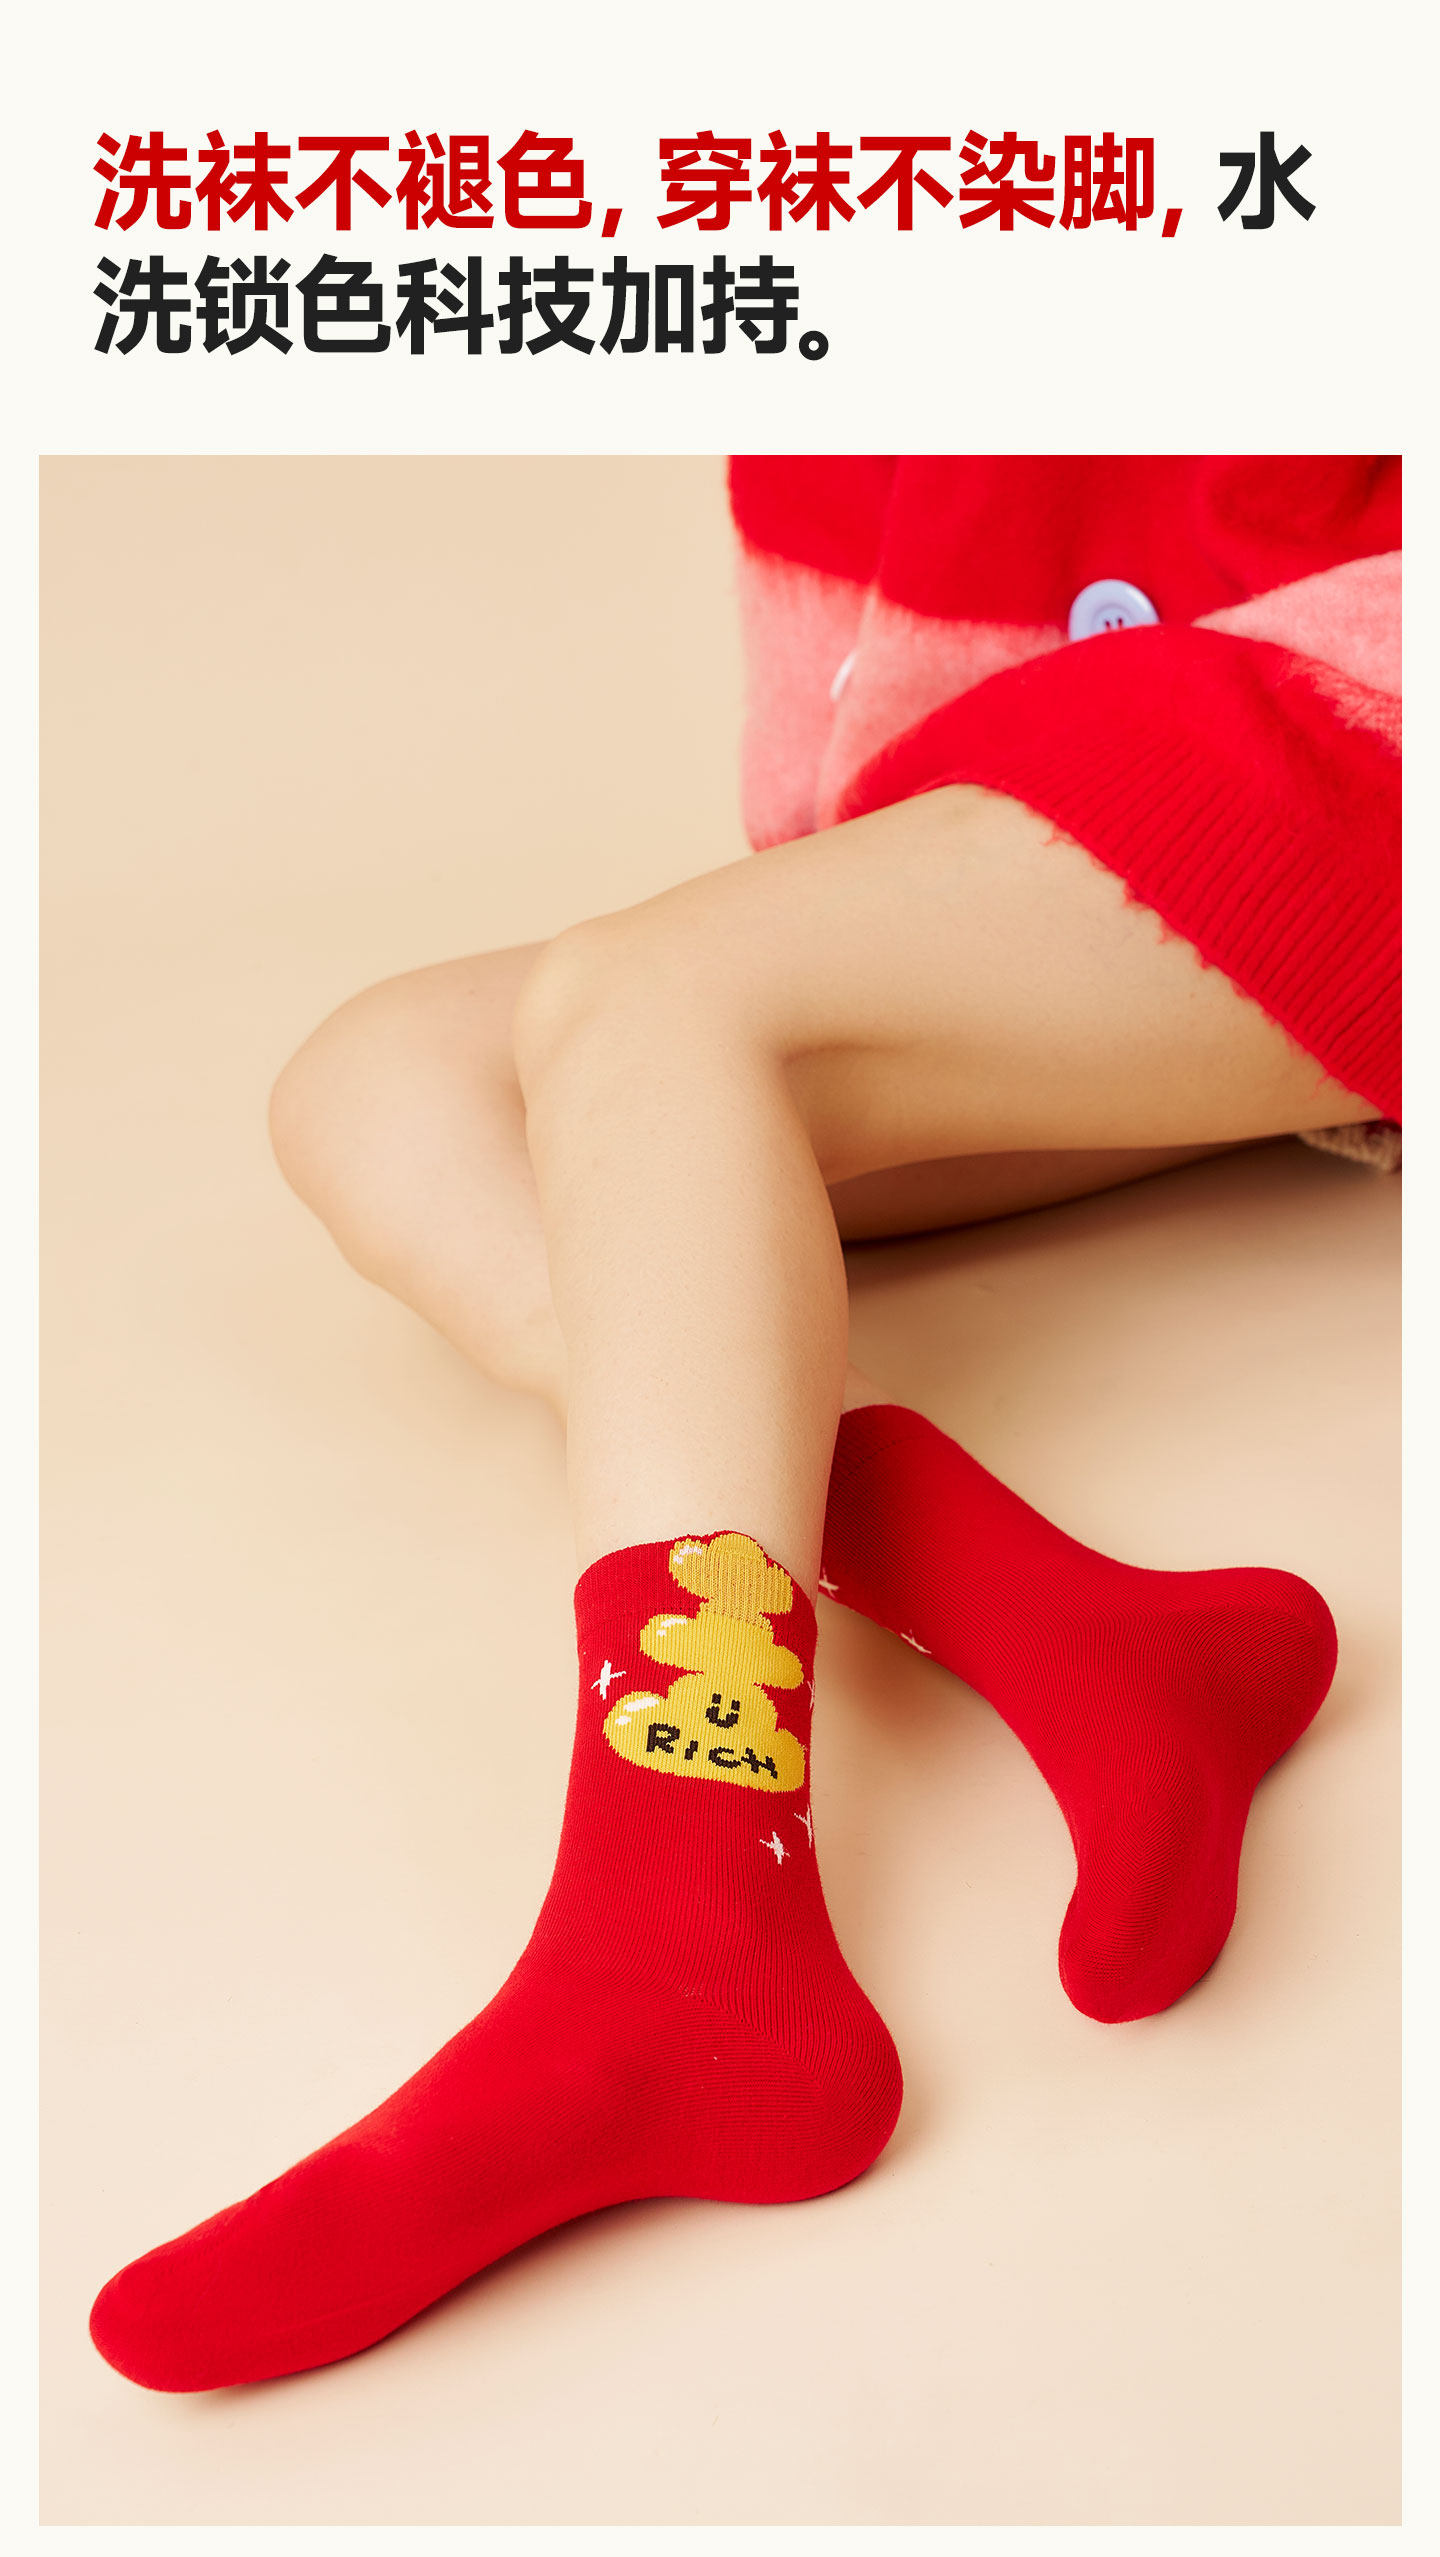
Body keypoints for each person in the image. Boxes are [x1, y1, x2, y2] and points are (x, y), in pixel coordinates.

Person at [88, 453, 1400, 2393]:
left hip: (1363, 710)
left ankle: (683, 1907)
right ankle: (1064, 1619)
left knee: (655, 1007)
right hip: (1100, 801)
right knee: (385, 1086)